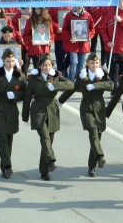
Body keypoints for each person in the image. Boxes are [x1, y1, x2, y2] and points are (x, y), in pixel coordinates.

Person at [58, 53, 113, 177]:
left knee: (97, 138)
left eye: (97, 63)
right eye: (92, 63)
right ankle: (100, 156)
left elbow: (111, 85)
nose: (95, 65)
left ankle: (92, 167)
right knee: (93, 132)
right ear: (87, 64)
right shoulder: (82, 76)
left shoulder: (102, 74)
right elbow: (72, 88)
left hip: (99, 109)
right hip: (86, 108)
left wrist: (95, 85)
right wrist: (60, 101)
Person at [22, 53, 74, 181]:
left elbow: (70, 85)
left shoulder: (55, 77)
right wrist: (25, 115)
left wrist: (55, 86)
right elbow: (27, 98)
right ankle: (51, 161)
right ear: (39, 66)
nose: (47, 67)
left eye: (49, 65)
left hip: (52, 110)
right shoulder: (33, 79)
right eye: (44, 65)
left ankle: (44, 171)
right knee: (45, 137)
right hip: (38, 110)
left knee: (49, 141)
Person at [0, 48, 27, 179]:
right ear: (3, 61)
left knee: (9, 138)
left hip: (11, 110)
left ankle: (4, 167)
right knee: (1, 137)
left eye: (12, 61)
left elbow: (26, 93)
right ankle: (8, 166)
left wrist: (16, 95)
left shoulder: (20, 76)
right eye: (7, 61)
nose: (10, 63)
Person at [62, 7, 94, 80]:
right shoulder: (69, 15)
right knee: (74, 62)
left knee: (80, 64)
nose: (80, 5)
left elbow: (92, 29)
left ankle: (78, 80)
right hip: (72, 44)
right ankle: (71, 79)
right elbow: (64, 29)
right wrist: (70, 37)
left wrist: (89, 36)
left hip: (83, 44)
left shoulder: (88, 15)